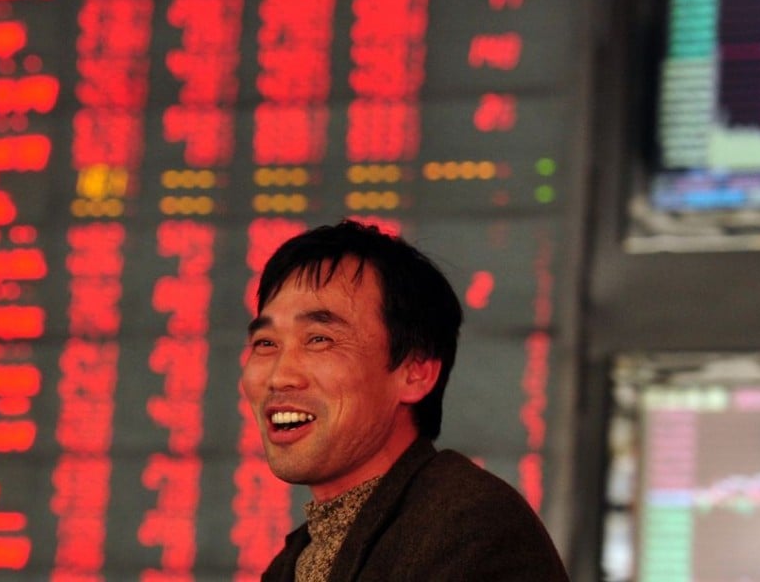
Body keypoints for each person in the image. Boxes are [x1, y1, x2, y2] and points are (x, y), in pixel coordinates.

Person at [241, 219, 570, 581]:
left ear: (415, 373)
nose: (279, 377)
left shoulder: (471, 529)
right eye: (266, 344)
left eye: (319, 339)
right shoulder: (295, 561)